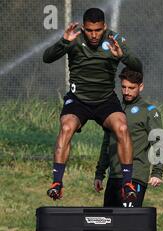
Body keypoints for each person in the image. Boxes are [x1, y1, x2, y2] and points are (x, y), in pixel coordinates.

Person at [43, 8, 142, 205]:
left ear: (104, 27)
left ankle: (127, 184)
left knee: (122, 127)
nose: (94, 35)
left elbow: (137, 66)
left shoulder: (114, 39)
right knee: (66, 127)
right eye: (89, 30)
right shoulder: (74, 38)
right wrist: (64, 42)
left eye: (97, 30)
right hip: (78, 100)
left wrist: (122, 56)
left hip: (105, 100)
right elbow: (47, 57)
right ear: (83, 27)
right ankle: (57, 183)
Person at [94, 68, 163, 207]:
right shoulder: (114, 109)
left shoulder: (149, 111)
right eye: (124, 87)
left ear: (141, 87)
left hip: (135, 177)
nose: (126, 91)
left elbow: (159, 143)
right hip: (114, 176)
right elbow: (107, 143)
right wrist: (99, 174)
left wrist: (157, 172)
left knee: (127, 224)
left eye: (131, 88)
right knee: (109, 224)